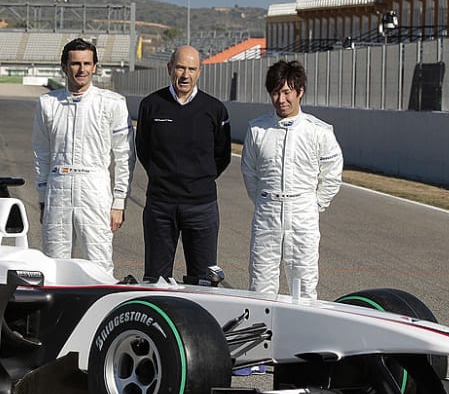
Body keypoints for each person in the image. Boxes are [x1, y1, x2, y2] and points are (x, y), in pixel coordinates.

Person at [32, 38, 135, 276]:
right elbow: (42, 154)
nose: (82, 69)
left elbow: (124, 156)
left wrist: (119, 202)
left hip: (95, 190)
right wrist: (42, 198)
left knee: (99, 265)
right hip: (58, 188)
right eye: (76, 63)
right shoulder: (47, 103)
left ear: (95, 66)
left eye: (87, 63)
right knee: (53, 266)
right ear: (64, 66)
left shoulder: (112, 103)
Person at [241, 60, 342, 298]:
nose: (281, 99)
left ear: (300, 92)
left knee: (304, 286)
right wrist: (265, 201)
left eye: (287, 92)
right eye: (275, 93)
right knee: (260, 285)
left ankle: (303, 334)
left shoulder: (319, 131)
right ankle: (263, 334)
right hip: (267, 213)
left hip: (303, 213)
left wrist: (313, 205)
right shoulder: (257, 130)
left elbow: (332, 175)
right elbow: (249, 173)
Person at [136, 46, 231, 283]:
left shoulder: (215, 109)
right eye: (180, 68)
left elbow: (222, 155)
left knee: (204, 281)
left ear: (199, 71)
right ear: (170, 69)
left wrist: (197, 181)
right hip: (160, 206)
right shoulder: (151, 105)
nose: (185, 75)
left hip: (201, 208)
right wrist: (164, 177)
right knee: (155, 280)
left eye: (191, 69)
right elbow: (143, 150)